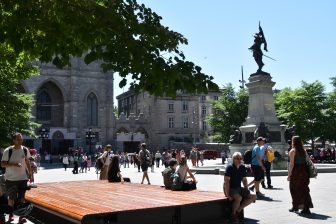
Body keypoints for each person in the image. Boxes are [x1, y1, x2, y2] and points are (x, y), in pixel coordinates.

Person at [1, 133, 33, 224]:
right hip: (11, 180)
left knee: (22, 198)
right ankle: (11, 215)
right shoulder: (8, 150)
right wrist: (14, 164)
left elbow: (27, 162)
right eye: (18, 139)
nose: (20, 141)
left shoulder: (25, 150)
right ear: (14, 140)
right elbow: (3, 164)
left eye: (21, 139)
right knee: (11, 199)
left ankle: (21, 217)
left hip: (23, 178)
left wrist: (30, 174)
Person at [224, 152, 256, 222]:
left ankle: (238, 210)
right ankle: (233, 214)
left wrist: (246, 190)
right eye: (237, 158)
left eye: (240, 158)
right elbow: (226, 182)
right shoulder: (230, 168)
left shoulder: (242, 167)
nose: (239, 160)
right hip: (231, 188)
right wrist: (227, 194)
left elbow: (244, 180)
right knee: (239, 198)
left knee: (253, 196)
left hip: (238, 188)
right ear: (233, 159)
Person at [287, 136, 313, 214]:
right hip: (304, 171)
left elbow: (291, 164)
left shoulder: (293, 151)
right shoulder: (303, 150)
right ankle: (306, 207)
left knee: (294, 189)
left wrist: (289, 174)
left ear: (293, 142)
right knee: (304, 189)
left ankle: (295, 207)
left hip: (296, 172)